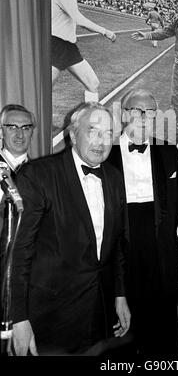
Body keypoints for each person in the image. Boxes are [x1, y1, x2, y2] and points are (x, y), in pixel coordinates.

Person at [7, 102, 130, 355]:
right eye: (93, 131)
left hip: (101, 311)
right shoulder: (36, 175)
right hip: (51, 317)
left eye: (108, 133)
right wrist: (18, 319)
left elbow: (116, 243)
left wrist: (120, 294)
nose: (101, 141)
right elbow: (19, 252)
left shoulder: (115, 177)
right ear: (73, 135)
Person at [107, 89, 178, 358]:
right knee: (121, 331)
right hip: (119, 251)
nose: (144, 117)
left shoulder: (168, 151)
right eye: (137, 111)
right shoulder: (105, 153)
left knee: (162, 331)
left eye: (151, 112)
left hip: (162, 252)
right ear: (123, 113)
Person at [132, 0, 178, 150]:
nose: (176, 4)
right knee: (176, 101)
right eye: (177, 1)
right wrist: (147, 35)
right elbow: (164, 33)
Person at [52, 0, 116, 103]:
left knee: (93, 84)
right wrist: (104, 31)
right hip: (56, 45)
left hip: (67, 47)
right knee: (42, 89)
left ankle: (90, 121)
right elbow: (79, 20)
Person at [0, 104, 36, 234]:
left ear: (32, 133)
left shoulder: (43, 175)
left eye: (26, 128)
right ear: (1, 131)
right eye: (12, 127)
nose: (20, 135)